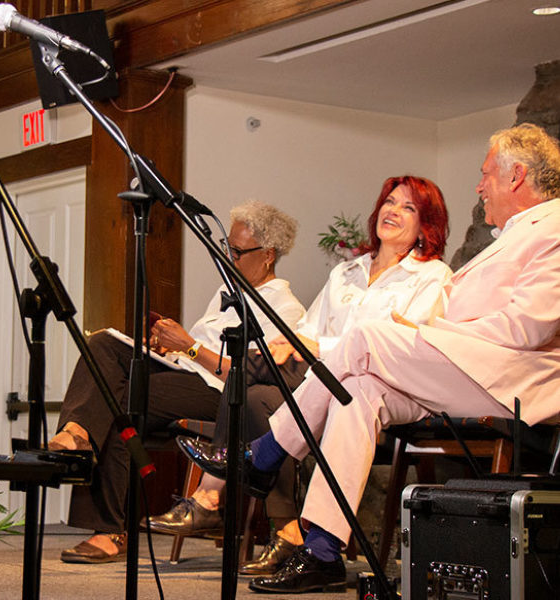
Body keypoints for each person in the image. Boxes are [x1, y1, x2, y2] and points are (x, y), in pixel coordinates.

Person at [189, 123, 560, 594]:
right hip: (469, 370)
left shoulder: (552, 229)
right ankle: (322, 550)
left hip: (509, 380)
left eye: (486, 174)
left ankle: (265, 454)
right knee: (357, 392)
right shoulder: (518, 232)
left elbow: (526, 328)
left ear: (516, 176)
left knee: (366, 336)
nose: (479, 185)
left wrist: (432, 333)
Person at [167, 175, 452, 577]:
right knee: (254, 393)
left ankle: (236, 478)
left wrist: (314, 349)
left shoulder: (433, 276)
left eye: (408, 207)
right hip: (318, 384)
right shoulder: (346, 273)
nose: (393, 211)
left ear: (427, 224)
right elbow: (308, 334)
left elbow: (407, 345)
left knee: (262, 378)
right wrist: (291, 346)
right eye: (389, 201)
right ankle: (287, 531)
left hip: (390, 388)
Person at [51, 201, 306, 564]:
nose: (227, 256)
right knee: (103, 344)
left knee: (118, 403)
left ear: (267, 256)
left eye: (236, 251)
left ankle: (107, 528)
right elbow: (195, 354)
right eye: (225, 246)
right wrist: (170, 351)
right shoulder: (227, 294)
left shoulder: (284, 308)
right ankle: (78, 432)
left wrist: (188, 346)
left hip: (219, 394)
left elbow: (246, 374)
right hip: (186, 377)